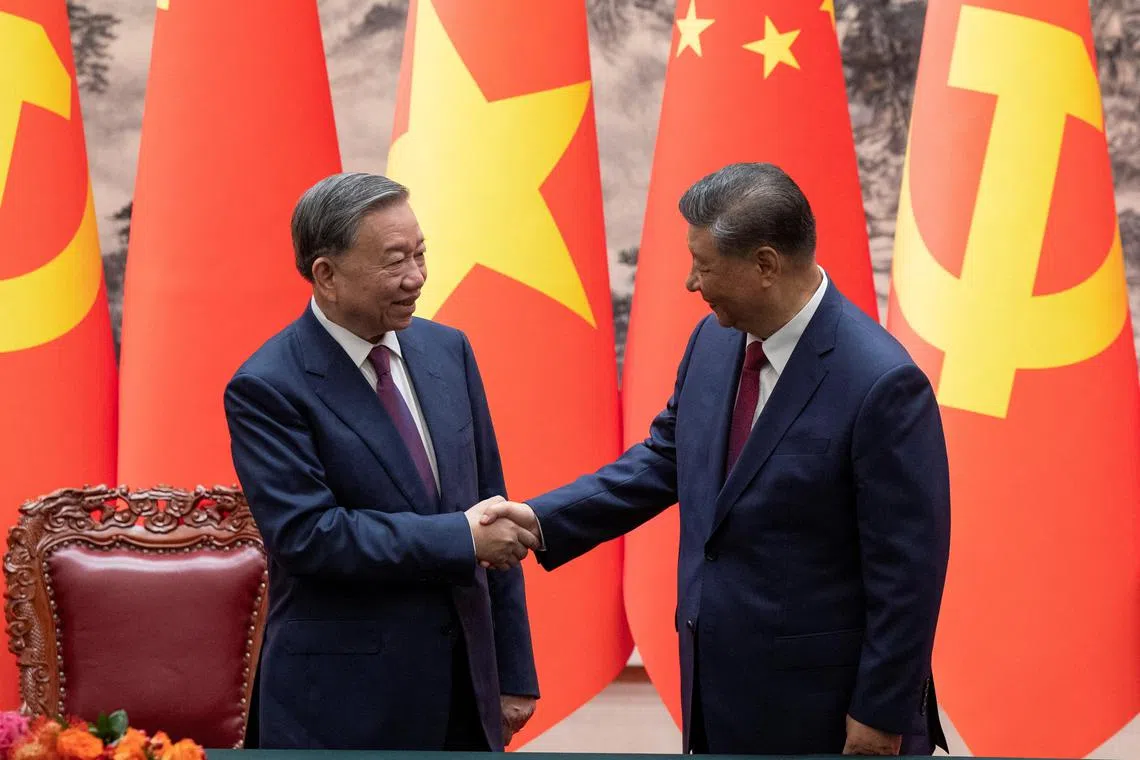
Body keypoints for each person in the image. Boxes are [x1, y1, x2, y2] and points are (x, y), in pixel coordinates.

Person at [483, 163, 951, 755]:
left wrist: (881, 715)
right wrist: (541, 520)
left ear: (764, 265)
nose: (689, 282)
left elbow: (908, 575)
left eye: (702, 264)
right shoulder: (716, 339)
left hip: (827, 716)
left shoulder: (881, 384)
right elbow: (664, 459)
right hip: (719, 697)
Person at [224, 172, 540, 751]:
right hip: (343, 706)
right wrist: (458, 539)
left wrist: (512, 671)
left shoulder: (449, 351)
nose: (416, 277)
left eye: (420, 254)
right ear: (327, 275)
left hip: (464, 693)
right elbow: (309, 536)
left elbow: (494, 509)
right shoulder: (268, 385)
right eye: (395, 261)